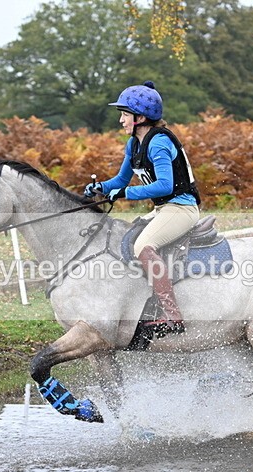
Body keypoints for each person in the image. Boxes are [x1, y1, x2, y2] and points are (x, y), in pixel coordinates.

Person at [84, 81, 200, 335]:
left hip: (181, 208)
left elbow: (164, 185)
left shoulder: (158, 143)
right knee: (124, 237)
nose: (121, 121)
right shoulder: (134, 144)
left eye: (125, 115)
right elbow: (121, 180)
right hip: (163, 210)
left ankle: (172, 315)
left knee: (143, 246)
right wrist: (101, 187)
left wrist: (125, 193)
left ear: (141, 117)